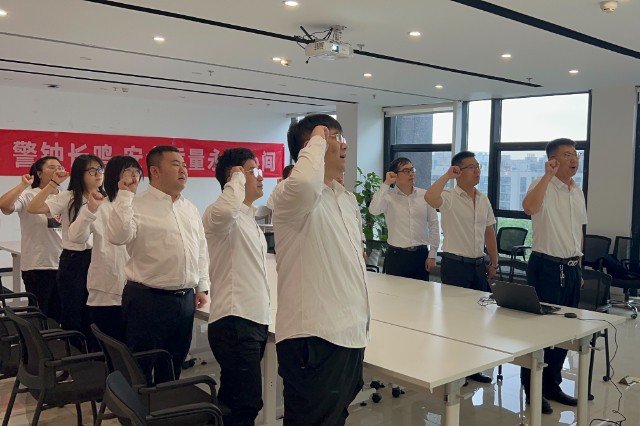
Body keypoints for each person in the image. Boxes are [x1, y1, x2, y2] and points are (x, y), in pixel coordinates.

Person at [271, 114, 370, 425]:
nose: (345, 146)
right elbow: (304, 183)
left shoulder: (346, 199)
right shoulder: (289, 195)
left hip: (348, 335)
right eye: (335, 138)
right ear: (311, 146)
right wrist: (317, 136)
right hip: (314, 337)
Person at [107, 145, 210, 383]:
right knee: (140, 367)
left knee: (173, 366)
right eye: (175, 164)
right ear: (155, 171)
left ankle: (167, 404)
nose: (183, 170)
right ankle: (137, 407)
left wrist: (202, 285)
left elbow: (201, 249)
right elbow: (118, 236)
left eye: (184, 165)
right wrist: (124, 196)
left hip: (184, 300)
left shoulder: (189, 208)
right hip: (147, 300)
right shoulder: (135, 203)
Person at [203, 147, 270, 426]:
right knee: (247, 403)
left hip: (252, 319)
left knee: (233, 400)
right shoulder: (219, 214)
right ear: (235, 177)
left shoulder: (247, 218)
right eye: (253, 171)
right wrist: (236, 179)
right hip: (235, 321)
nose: (260, 177)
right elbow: (226, 210)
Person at [520, 138, 586, 414]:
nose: (574, 159)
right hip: (546, 267)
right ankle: (532, 389)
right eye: (567, 154)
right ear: (553, 160)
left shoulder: (576, 190)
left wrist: (579, 266)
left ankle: (552, 385)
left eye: (576, 154)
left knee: (564, 331)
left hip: (571, 268)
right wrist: (547, 175)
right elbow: (529, 208)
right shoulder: (541, 184)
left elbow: (578, 231)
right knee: (539, 332)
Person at [424, 150, 497, 384]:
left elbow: (489, 232)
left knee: (477, 321)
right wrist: (447, 175)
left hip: (478, 265)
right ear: (458, 171)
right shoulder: (449, 197)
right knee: (455, 321)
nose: (477, 171)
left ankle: (472, 367)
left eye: (478, 166)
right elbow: (430, 198)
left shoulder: (483, 199)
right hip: (456, 265)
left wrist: (494, 261)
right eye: (471, 167)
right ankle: (454, 371)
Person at [28, 154, 106, 342]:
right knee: (73, 312)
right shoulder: (68, 197)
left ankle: (94, 352)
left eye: (100, 169)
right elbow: (33, 207)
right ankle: (74, 353)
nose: (98, 174)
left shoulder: (107, 198)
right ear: (80, 173)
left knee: (95, 312)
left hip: (100, 259)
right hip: (75, 260)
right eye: (92, 170)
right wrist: (53, 184)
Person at [67, 156, 143, 342]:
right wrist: (89, 211)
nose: (134, 176)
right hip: (107, 291)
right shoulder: (100, 205)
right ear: (115, 175)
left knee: (135, 348)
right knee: (112, 347)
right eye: (128, 171)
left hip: (139, 291)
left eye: (137, 172)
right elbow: (75, 237)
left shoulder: (142, 207)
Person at [0, 157, 63, 322]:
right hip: (38, 265)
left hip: (64, 264)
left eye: (60, 167)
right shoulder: (29, 195)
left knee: (62, 315)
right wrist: (23, 185)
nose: (57, 170)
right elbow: (4, 206)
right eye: (52, 167)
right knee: (40, 315)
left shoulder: (65, 196)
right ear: (39, 174)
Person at [369, 157, 439, 280]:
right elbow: (374, 210)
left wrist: (432, 254)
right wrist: (386, 184)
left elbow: (434, 224)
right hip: (396, 256)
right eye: (406, 171)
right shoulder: (388, 197)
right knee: (395, 292)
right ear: (395, 175)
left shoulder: (424, 195)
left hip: (421, 255)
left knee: (421, 291)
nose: (411, 174)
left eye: (412, 170)